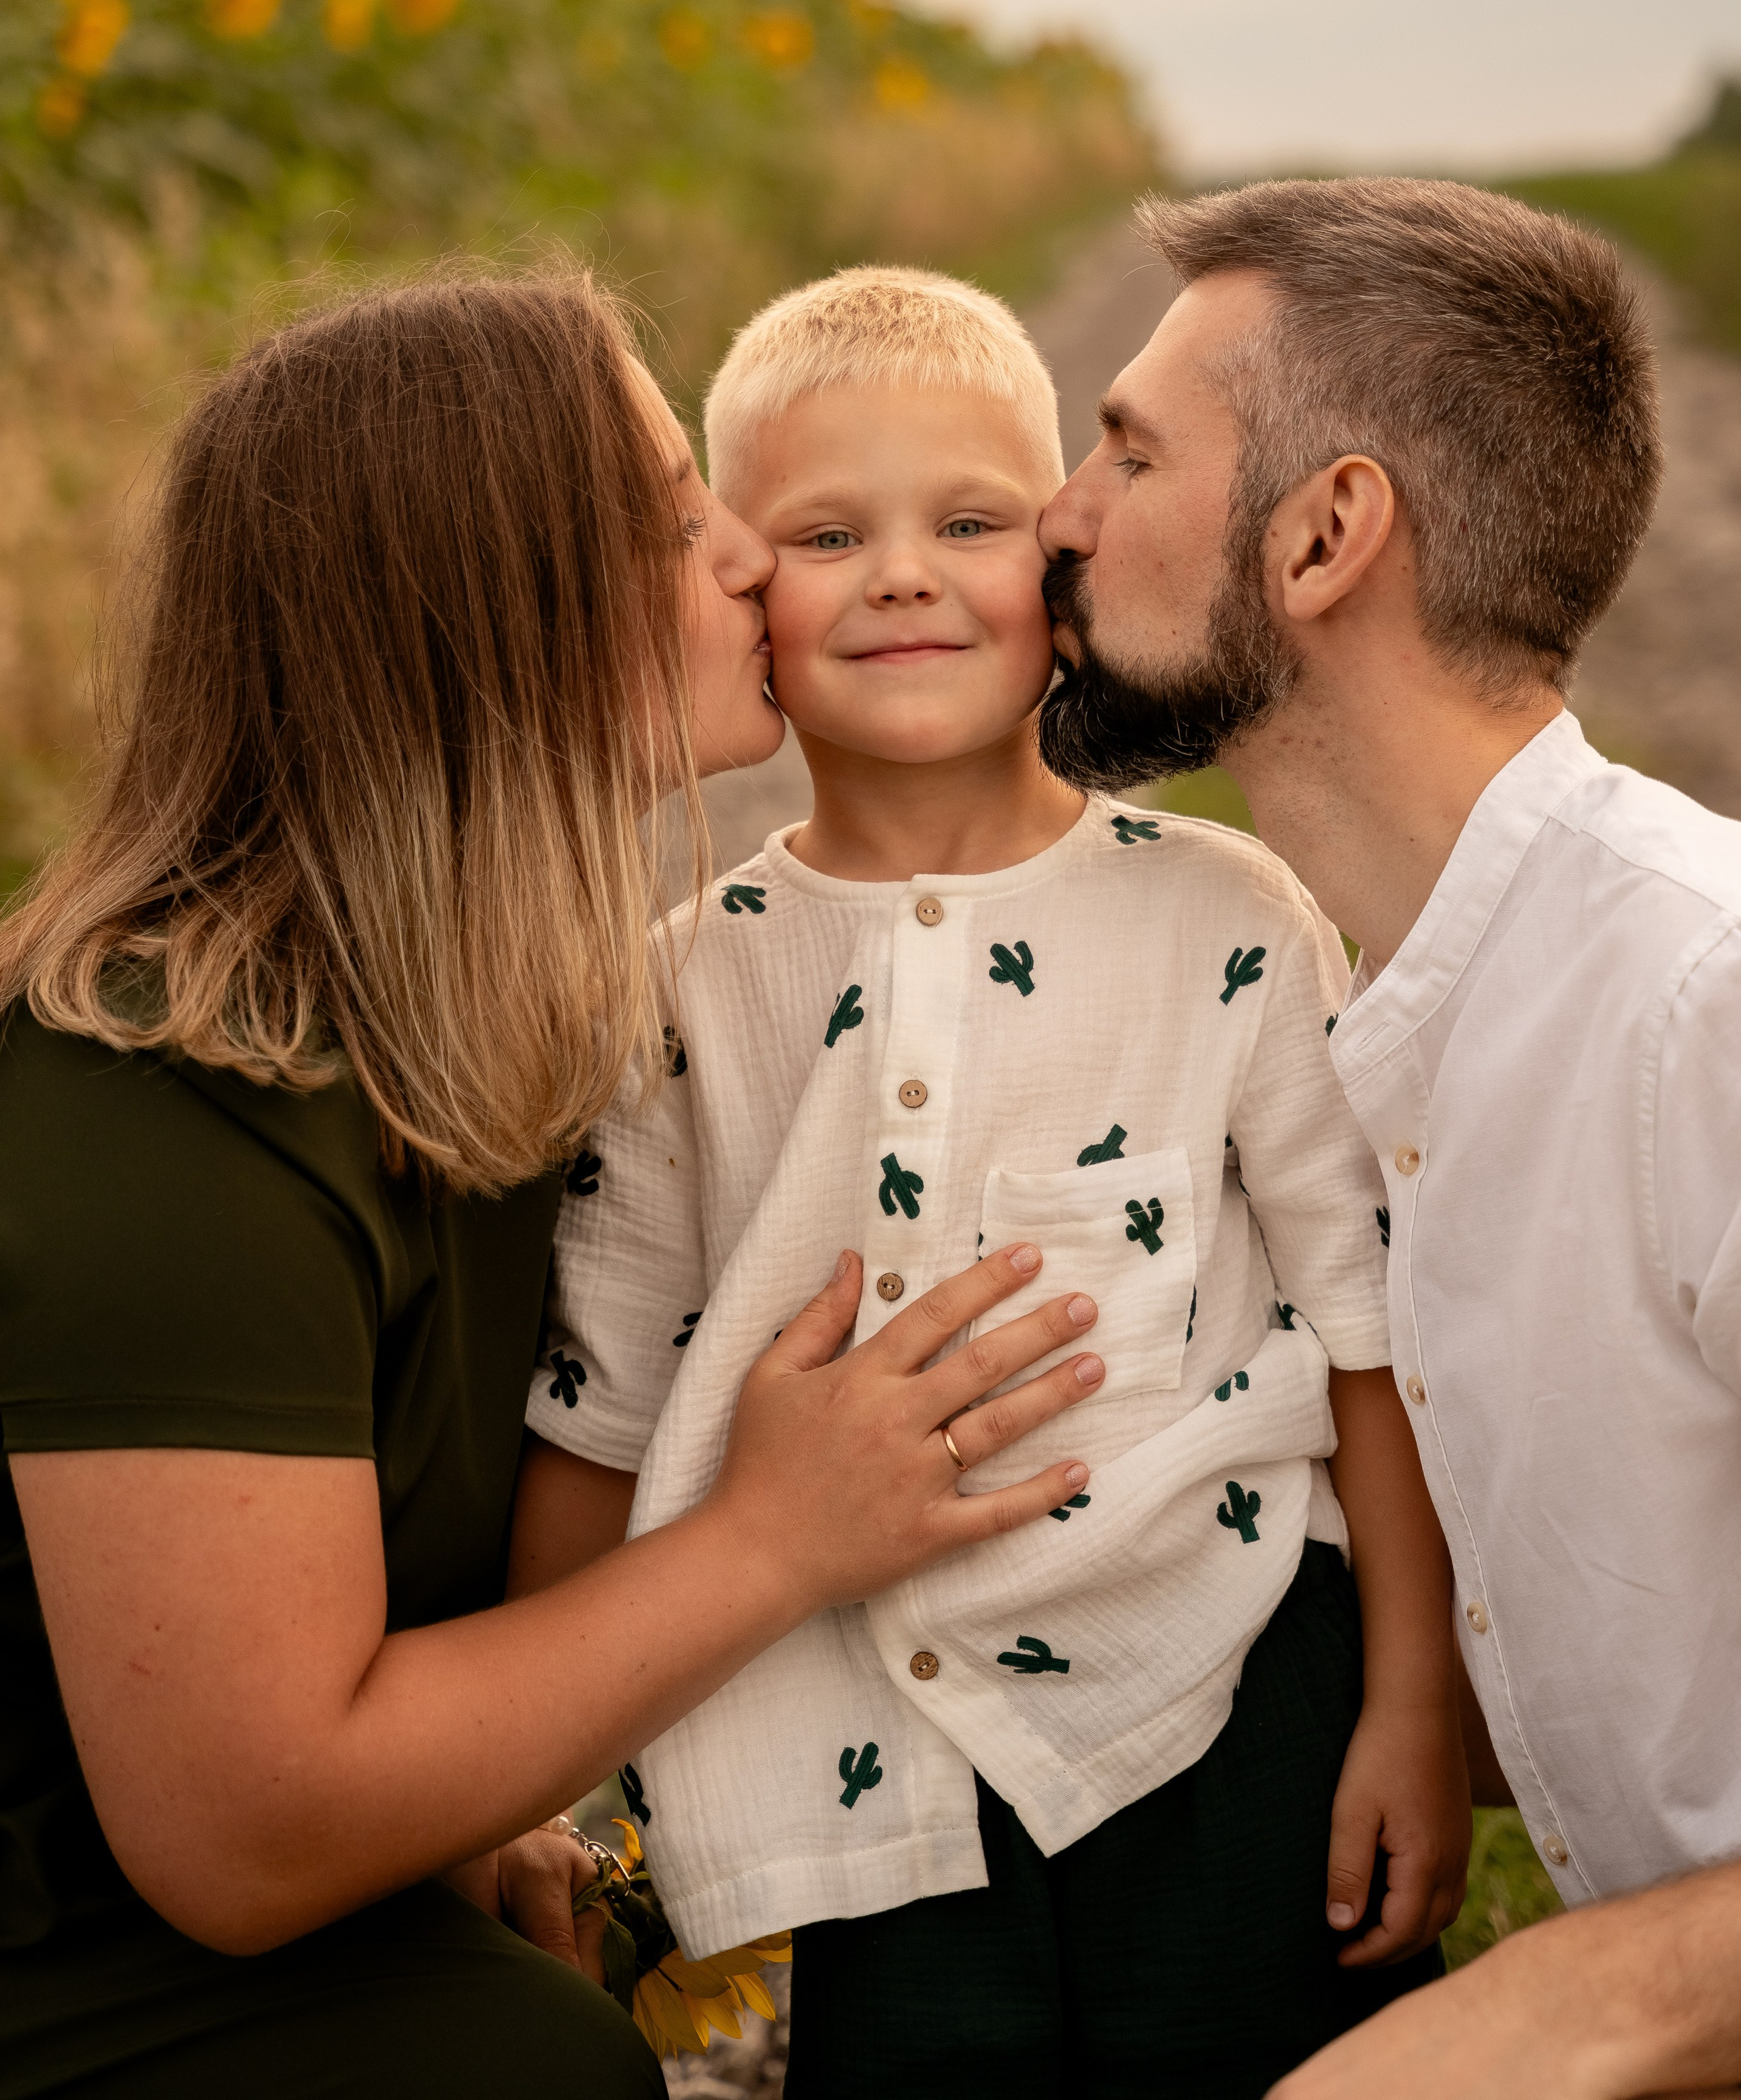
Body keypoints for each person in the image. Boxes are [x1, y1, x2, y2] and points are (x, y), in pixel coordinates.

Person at [0, 268, 1100, 2098]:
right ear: (491, 623)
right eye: (680, 524)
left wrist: (469, 1802)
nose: (754, 560)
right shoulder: (157, 1102)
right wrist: (772, 1538)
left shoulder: (500, 1017)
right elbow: (249, 1830)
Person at [523, 265, 1469, 2100]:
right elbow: (602, 1402)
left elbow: (1373, 1338)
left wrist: (1413, 1701)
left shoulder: (1230, 920)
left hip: (1223, 1686)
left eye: (965, 521)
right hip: (862, 1750)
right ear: (747, 603)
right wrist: (549, 1801)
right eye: (825, 531)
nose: (898, 571)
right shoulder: (675, 984)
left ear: (1060, 590)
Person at [1037, 175, 1741, 2099]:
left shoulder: (1705, 1004)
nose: (1058, 516)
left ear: (1330, 530)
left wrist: (1526, 2028)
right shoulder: (1361, 1028)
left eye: (1124, 449)